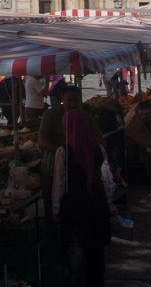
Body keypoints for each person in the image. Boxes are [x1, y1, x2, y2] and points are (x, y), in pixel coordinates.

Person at [50, 85, 111, 286]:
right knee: (96, 257)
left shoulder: (63, 152)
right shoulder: (99, 149)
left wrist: (55, 210)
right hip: (96, 206)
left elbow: (59, 185)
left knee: (77, 258)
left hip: (74, 210)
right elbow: (106, 179)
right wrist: (108, 202)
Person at [39, 83, 103, 217]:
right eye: (69, 100)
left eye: (76, 101)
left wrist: (82, 151)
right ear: (62, 99)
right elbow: (42, 141)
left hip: (80, 173)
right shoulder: (50, 115)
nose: (73, 104)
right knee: (53, 209)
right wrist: (64, 153)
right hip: (52, 170)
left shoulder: (86, 117)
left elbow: (99, 140)